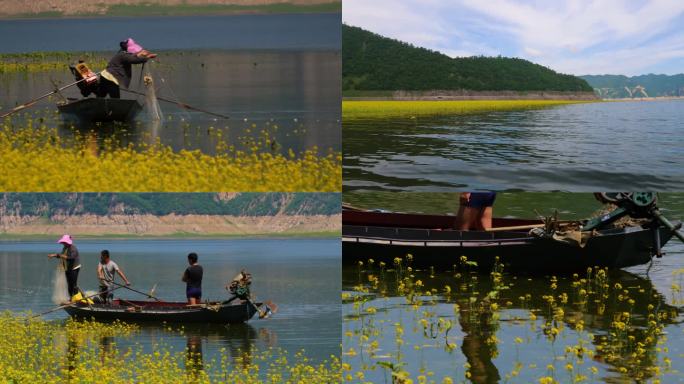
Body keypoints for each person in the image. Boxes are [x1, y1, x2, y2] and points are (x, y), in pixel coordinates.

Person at [48, 234, 81, 299]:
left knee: (73, 284)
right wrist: (53, 255)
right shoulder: (65, 248)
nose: (63, 243)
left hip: (74, 268)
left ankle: (77, 299)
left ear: (67, 242)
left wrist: (61, 256)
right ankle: (71, 298)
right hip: (67, 268)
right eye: (63, 242)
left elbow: (71, 258)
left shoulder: (73, 248)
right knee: (69, 284)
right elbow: (61, 255)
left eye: (64, 242)